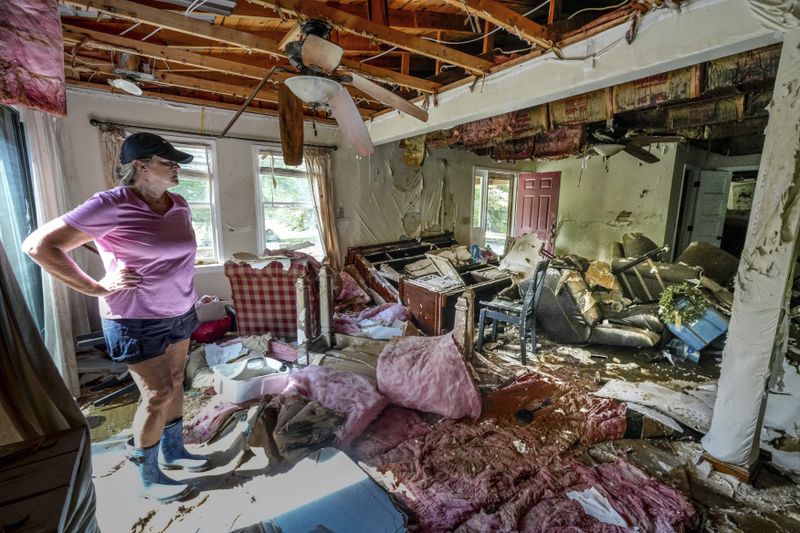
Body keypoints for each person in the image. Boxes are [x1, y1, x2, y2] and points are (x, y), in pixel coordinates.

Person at [22, 132, 209, 503]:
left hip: (180, 309)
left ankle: (174, 452)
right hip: (134, 317)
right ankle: (148, 474)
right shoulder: (111, 203)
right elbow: (39, 246)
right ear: (140, 165)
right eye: (167, 161)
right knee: (157, 394)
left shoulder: (180, 204)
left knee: (176, 382)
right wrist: (96, 286)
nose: (176, 167)